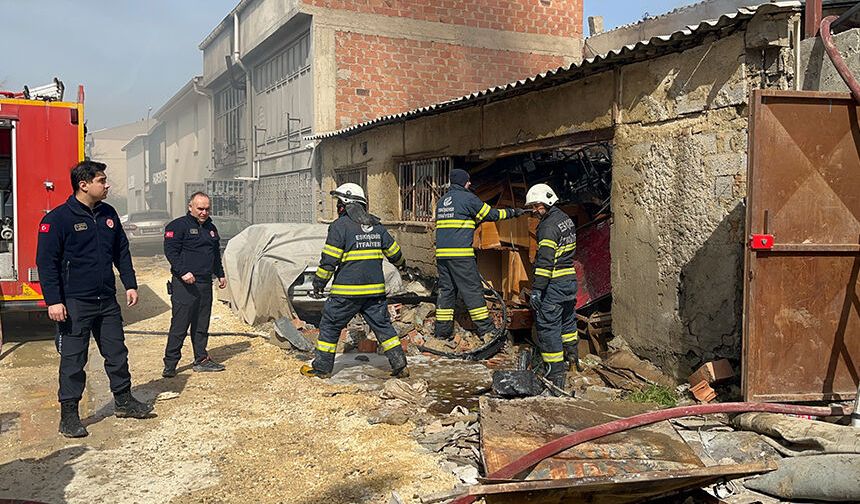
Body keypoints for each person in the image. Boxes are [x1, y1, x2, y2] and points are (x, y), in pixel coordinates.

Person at [36, 160, 153, 438]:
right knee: (74, 360)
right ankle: (69, 415)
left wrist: (130, 284)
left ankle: (123, 401)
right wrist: (54, 300)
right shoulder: (58, 219)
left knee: (116, 353)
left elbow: (121, 252)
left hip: (107, 301)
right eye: (101, 180)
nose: (107, 184)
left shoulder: (108, 214)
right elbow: (47, 262)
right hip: (75, 302)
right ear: (83, 184)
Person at [301, 183, 409, 379]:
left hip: (346, 294)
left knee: (330, 326)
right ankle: (400, 365)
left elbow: (329, 261)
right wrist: (403, 265)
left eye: (339, 203)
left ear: (346, 204)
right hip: (374, 294)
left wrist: (319, 284)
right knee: (383, 327)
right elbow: (396, 254)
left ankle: (322, 368)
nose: (338, 208)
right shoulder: (377, 226)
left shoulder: (339, 226)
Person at [434, 168, 524, 340]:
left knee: (446, 292)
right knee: (472, 291)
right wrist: (513, 212)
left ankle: (442, 332)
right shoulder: (468, 198)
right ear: (463, 182)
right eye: (468, 181)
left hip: (442, 256)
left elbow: (457, 222)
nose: (470, 184)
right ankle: (487, 330)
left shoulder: (442, 201)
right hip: (460, 255)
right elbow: (491, 214)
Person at [161, 192, 227, 377]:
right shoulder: (177, 226)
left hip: (205, 283)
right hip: (185, 285)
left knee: (201, 324)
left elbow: (215, 254)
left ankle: (201, 359)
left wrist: (220, 274)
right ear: (190, 207)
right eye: (200, 208)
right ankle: (171, 363)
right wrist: (183, 272)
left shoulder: (211, 228)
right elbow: (170, 251)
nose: (204, 212)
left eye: (207, 209)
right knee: (180, 325)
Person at [525, 183, 579, 394]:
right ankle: (573, 362)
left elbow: (545, 262)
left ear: (543, 204)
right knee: (567, 323)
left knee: (548, 328)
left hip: (554, 284)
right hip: (569, 282)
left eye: (535, 207)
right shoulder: (565, 219)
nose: (534, 212)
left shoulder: (548, 228)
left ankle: (555, 377)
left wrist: (537, 289)